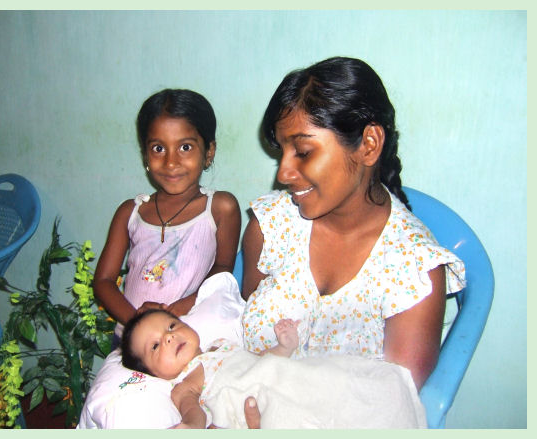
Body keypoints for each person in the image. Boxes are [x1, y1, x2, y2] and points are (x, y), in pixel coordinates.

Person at [241, 56, 466, 401]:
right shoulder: (270, 226)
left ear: (369, 144)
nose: (283, 173)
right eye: (281, 150)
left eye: (303, 151)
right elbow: (240, 329)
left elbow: (394, 406)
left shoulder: (413, 272)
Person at [94, 89, 241, 345]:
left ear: (209, 152)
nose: (171, 162)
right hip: (133, 342)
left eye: (185, 147)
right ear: (145, 155)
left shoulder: (220, 208)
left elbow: (222, 269)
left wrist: (185, 305)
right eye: (158, 148)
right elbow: (103, 281)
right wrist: (139, 322)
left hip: (187, 337)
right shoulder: (130, 212)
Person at [120, 309, 300, 428]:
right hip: (255, 413)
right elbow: (194, 414)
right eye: (155, 346)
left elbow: (258, 360)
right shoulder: (184, 386)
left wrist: (284, 348)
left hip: (283, 388)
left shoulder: (220, 345)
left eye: (171, 326)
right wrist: (190, 427)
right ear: (153, 373)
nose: (169, 336)